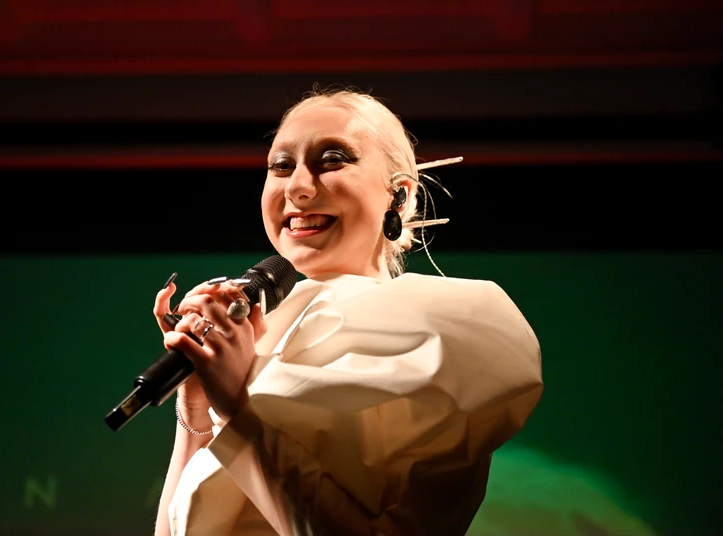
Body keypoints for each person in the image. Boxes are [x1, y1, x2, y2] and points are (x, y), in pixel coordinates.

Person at [151, 87, 543, 536]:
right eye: (281, 166)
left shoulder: (451, 325)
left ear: (398, 195)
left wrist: (238, 408)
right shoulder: (258, 336)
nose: (297, 187)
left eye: (332, 159)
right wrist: (197, 405)